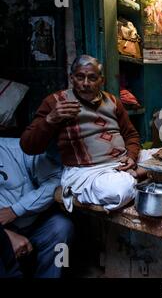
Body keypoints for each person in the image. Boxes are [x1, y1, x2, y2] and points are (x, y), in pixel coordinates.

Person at [20, 55, 144, 213]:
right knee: (121, 189)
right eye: (80, 77)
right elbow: (28, 146)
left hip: (121, 163)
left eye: (92, 78)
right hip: (87, 172)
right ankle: (136, 177)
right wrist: (50, 119)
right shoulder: (55, 102)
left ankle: (134, 174)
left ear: (102, 80)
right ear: (72, 78)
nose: (85, 83)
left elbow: (131, 135)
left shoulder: (113, 101)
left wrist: (132, 156)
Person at [0, 138, 73, 278]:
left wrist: (16, 210)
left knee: (63, 227)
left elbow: (57, 180)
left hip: (33, 222)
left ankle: (55, 275)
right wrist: (5, 235)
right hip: (3, 232)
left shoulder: (19, 149)